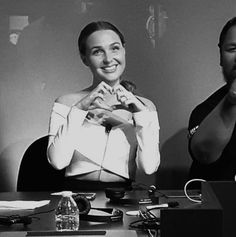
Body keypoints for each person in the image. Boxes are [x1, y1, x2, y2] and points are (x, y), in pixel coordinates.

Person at [47, 21, 160, 190]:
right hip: (77, 198)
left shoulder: (145, 106)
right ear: (84, 58)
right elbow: (57, 162)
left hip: (122, 199)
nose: (108, 59)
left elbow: (149, 167)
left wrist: (141, 115)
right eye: (97, 52)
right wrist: (79, 110)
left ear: (123, 50)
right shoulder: (67, 102)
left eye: (115, 48)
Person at [188, 17, 236, 181]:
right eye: (233, 49)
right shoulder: (205, 111)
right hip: (220, 204)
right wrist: (233, 98)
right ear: (221, 55)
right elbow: (204, 153)